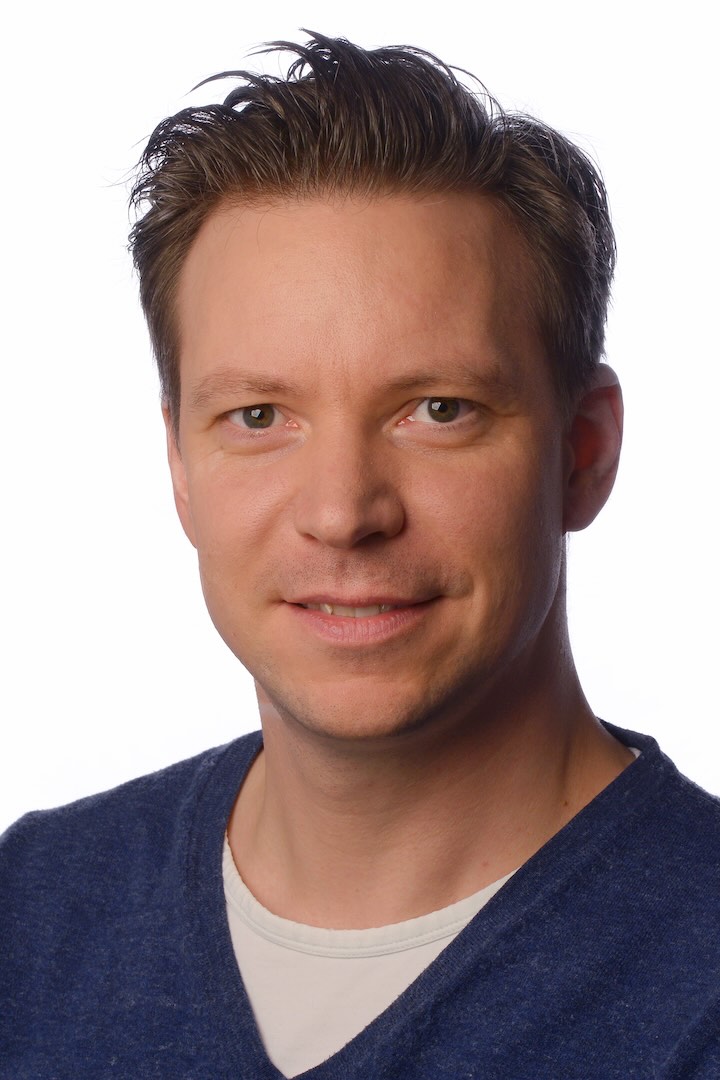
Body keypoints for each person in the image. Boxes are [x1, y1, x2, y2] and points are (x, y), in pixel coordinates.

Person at [2, 31, 719, 1080]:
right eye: (259, 416)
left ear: (585, 451)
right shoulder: (31, 915)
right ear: (180, 466)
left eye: (438, 410)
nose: (343, 512)